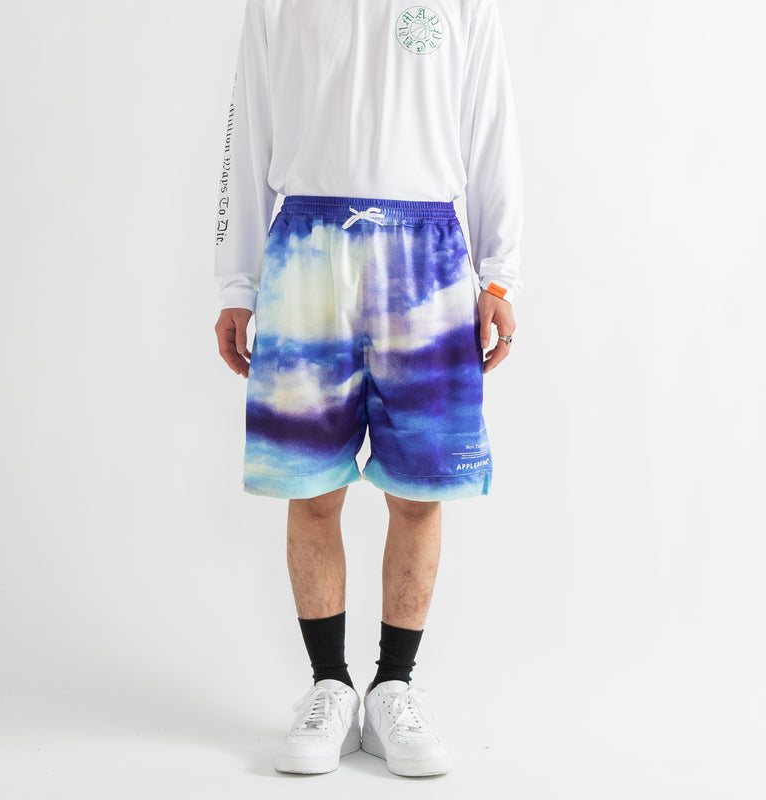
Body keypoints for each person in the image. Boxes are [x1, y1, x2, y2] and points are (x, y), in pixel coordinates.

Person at [213, 0, 523, 778]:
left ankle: (394, 687)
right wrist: (236, 282)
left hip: (429, 255)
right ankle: (329, 685)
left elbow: (491, 126)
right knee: (311, 484)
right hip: (307, 250)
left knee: (420, 489)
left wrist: (500, 275)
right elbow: (248, 129)